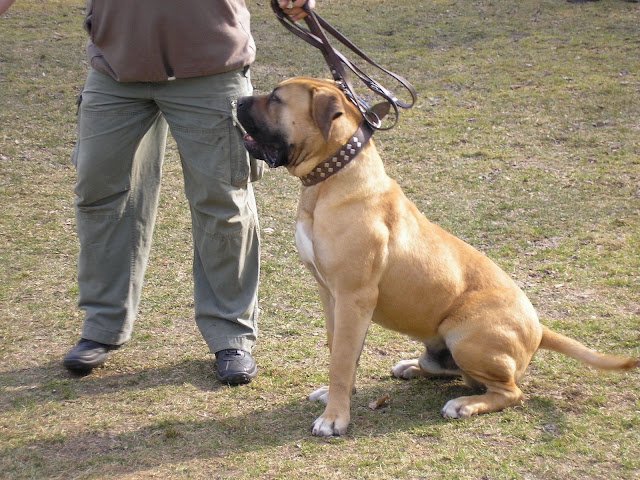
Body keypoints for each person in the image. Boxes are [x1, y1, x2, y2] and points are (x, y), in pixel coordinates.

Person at [2, 0, 315, 385]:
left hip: (210, 64)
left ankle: (231, 334)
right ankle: (103, 325)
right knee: (100, 194)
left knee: (223, 200)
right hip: (116, 64)